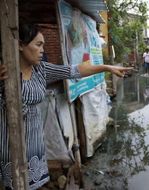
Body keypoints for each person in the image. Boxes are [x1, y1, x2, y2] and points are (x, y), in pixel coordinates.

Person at [0, 23, 132, 190]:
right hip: (10, 143)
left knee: (32, 185)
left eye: (44, 45)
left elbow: (76, 70)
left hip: (35, 142)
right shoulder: (5, 72)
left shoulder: (41, 69)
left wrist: (107, 67)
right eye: (38, 44)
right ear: (20, 45)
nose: (42, 50)